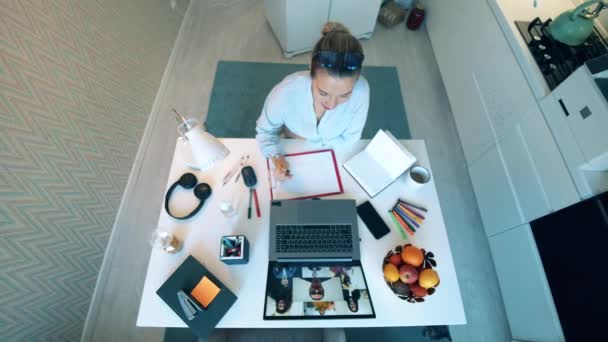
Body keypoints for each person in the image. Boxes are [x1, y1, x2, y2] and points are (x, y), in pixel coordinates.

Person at [256, 22, 370, 181]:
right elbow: (265, 132)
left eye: (344, 95)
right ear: (311, 70)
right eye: (323, 92)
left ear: (357, 80)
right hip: (291, 147)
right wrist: (276, 157)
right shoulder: (286, 92)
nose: (331, 105)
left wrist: (307, 140)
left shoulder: (361, 91)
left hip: (328, 158)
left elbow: (351, 138)